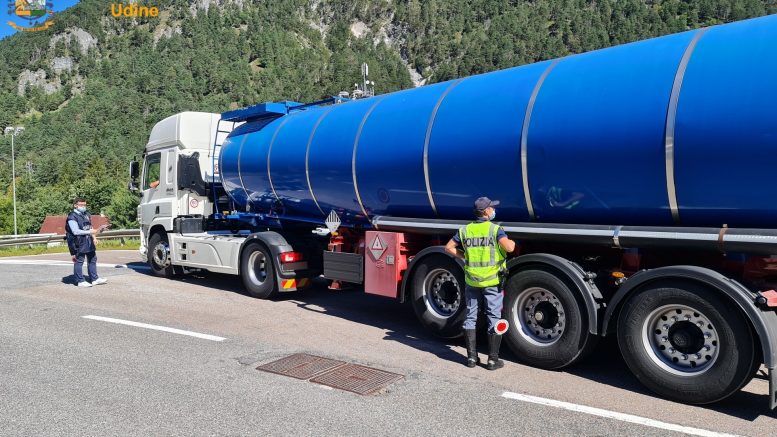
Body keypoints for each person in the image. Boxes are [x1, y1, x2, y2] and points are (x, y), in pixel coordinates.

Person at [445, 197, 516, 370]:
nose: (494, 210)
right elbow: (509, 248)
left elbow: (448, 247)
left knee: (471, 316)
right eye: (492, 208)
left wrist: (464, 256)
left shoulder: (465, 230)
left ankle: (471, 358)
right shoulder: (495, 229)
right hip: (492, 281)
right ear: (487, 211)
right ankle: (492, 360)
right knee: (493, 316)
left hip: (472, 280)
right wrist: (512, 242)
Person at [65, 198, 108, 287]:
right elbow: (75, 231)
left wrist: (94, 237)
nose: (83, 207)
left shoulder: (86, 214)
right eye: (81, 205)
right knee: (79, 260)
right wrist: (90, 232)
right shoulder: (72, 216)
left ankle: (94, 279)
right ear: (75, 205)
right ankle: (80, 281)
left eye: (85, 205)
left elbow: (89, 227)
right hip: (77, 241)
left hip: (88, 240)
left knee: (93, 258)